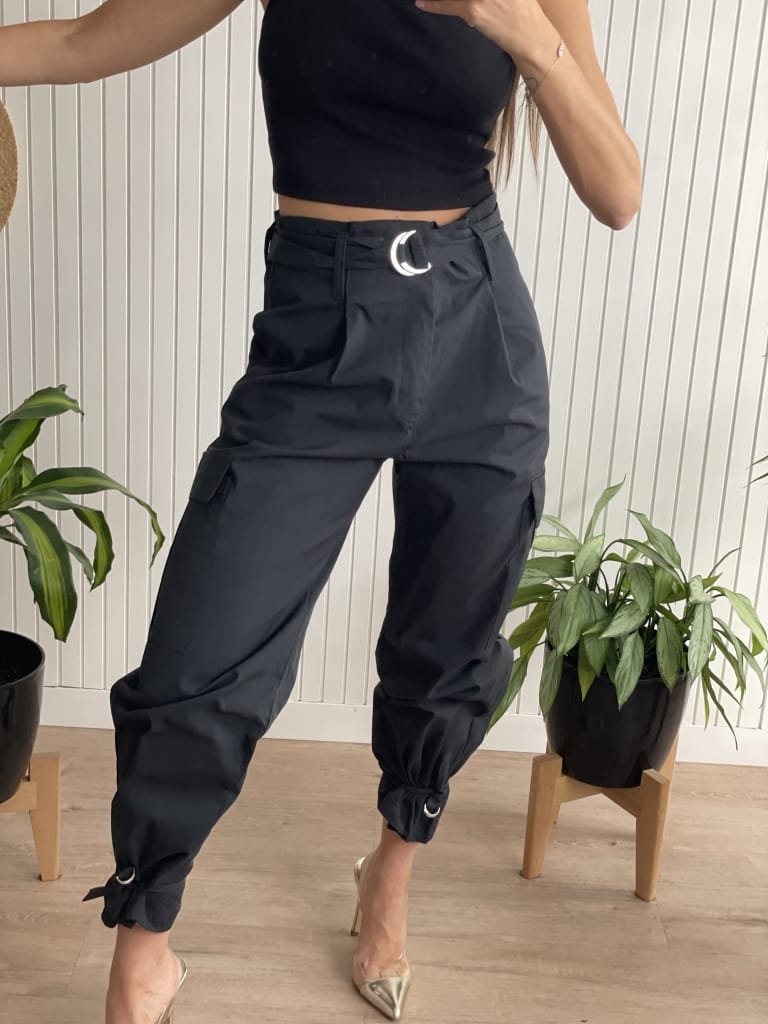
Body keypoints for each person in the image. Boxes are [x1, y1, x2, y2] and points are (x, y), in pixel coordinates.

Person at [1, 0, 641, 1020]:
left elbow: (619, 192)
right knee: (202, 656)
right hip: (318, 326)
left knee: (450, 636)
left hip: (480, 334)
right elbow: (86, 40)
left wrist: (520, 29)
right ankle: (145, 943)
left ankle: (390, 872)